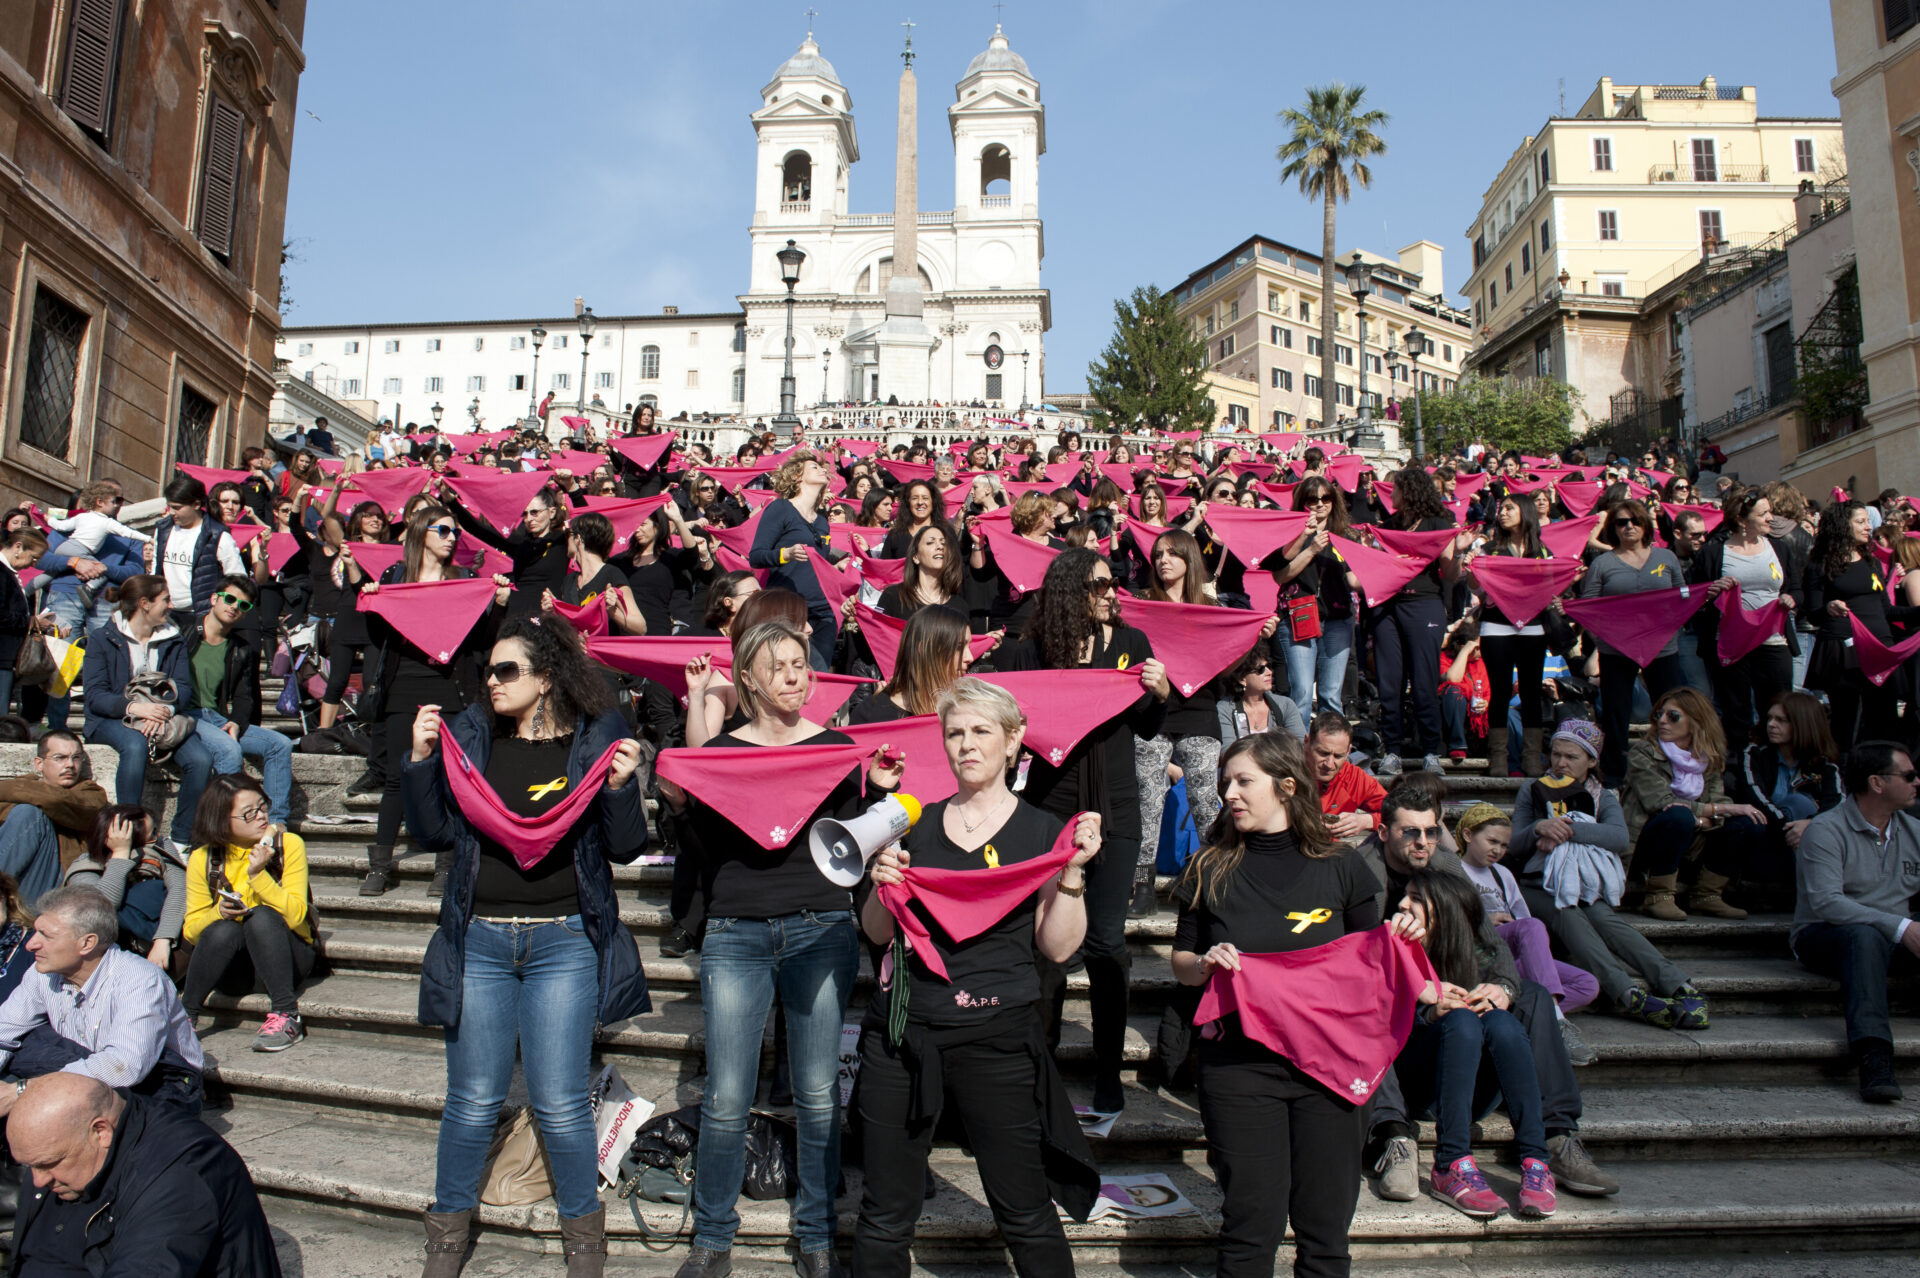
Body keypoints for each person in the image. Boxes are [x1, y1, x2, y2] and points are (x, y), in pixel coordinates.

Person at [656, 619, 904, 1278]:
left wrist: (878, 792)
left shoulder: (837, 749)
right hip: (736, 932)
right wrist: (681, 810)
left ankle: (817, 1233)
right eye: (781, 666)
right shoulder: (721, 751)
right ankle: (712, 1237)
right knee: (728, 1094)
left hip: (820, 930)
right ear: (750, 680)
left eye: (801, 663)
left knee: (819, 1093)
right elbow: (708, 861)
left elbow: (851, 846)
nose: (796, 675)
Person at [406, 616, 649, 1276]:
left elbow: (625, 848)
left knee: (561, 1102)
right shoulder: (471, 742)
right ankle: (447, 1237)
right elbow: (430, 834)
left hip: (563, 943)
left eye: (506, 670)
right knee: (473, 1101)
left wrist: (624, 791)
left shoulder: (591, 747)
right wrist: (422, 762)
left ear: (546, 679)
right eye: (487, 671)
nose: (491, 681)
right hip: (480, 940)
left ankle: (585, 1245)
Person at [853, 678, 1101, 1277]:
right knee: (883, 1217)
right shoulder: (911, 822)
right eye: (954, 732)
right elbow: (878, 933)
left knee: (1025, 1212)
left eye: (981, 731)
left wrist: (1071, 874)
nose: (966, 744)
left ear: (1014, 740)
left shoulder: (1044, 833)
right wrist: (882, 885)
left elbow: (1058, 947)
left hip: (999, 1039)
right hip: (904, 1036)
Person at [1170, 734, 1420, 1276]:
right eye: (1225, 781)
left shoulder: (1343, 866)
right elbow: (1182, 965)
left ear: (1287, 786)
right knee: (1249, 1227)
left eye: (1243, 781)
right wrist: (1206, 963)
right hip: (1239, 1067)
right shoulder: (1207, 866)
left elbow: (1370, 964)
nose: (1228, 793)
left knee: (1325, 1231)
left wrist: (1403, 932)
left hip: (1329, 1069)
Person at [1359, 784, 1618, 1203]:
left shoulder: (1446, 866)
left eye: (1431, 830)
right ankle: (1393, 1136)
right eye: (1410, 832)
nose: (1423, 842)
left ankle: (1556, 1136)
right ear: (1384, 832)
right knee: (1368, 1005)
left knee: (1531, 995)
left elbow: (1493, 948)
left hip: (1460, 1034)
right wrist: (1417, 990)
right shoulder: (1358, 875)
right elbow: (1352, 970)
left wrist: (1502, 986)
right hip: (1404, 1040)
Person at [995, 549, 1170, 1115]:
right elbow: (1007, 722)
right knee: (1046, 945)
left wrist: (1160, 693)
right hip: (1050, 808)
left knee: (1106, 942)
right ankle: (1037, 1066)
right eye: (1099, 585)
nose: (1111, 592)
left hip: (1116, 807)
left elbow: (1146, 727)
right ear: (1072, 591)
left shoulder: (1132, 643)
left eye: (1112, 583)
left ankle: (1108, 1072)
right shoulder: (1030, 652)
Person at [358, 505, 510, 898]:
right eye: (442, 530)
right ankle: (380, 865)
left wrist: (501, 604)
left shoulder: (463, 579)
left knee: (448, 779)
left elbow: (482, 641)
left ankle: (445, 865)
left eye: (454, 532)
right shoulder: (396, 576)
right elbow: (379, 636)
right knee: (397, 778)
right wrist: (374, 600)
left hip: (452, 688)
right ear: (421, 532)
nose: (450, 537)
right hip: (403, 687)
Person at [1511, 720, 1702, 1031]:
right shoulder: (1532, 790)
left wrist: (1568, 828)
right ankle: (1628, 994)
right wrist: (1537, 828)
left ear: (1592, 761)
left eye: (1571, 757)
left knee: (1607, 922)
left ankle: (1679, 984)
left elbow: (1618, 837)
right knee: (1568, 916)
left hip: (1585, 885)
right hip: (1538, 885)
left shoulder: (1603, 795)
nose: (1560, 763)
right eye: (1556, 754)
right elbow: (1514, 844)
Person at [1394, 868, 1557, 1220]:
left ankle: (1535, 1160)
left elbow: (1507, 976)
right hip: (1421, 1085)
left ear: (1447, 913)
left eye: (1416, 899)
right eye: (1406, 895)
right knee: (1462, 1020)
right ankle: (1450, 1163)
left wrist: (1504, 992)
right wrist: (1428, 1013)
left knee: (1500, 1020)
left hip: (1472, 1091)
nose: (1402, 904)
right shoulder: (1395, 945)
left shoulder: (1477, 950)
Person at [7, 1072, 282, 1277]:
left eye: (48, 1163)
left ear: (100, 1132)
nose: (38, 1180)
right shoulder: (67, 1152)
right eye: (29, 1165)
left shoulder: (178, 1173)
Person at [1133, 529, 1271, 914]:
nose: (1163, 560)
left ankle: (1216, 876)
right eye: (1158, 554)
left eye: (1173, 554)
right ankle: (1141, 887)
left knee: (1206, 801)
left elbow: (1227, 668)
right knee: (1147, 800)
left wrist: (1251, 636)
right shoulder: (1143, 603)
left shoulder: (1211, 606)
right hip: (1153, 711)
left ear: (1189, 559)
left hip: (1200, 710)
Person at [1792, 740, 1920, 1103]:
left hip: (1893, 936)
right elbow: (1828, 903)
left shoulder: (1913, 830)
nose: (1917, 782)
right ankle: (1874, 1057)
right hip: (1825, 935)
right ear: (1877, 783)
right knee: (1862, 936)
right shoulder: (1826, 830)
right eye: (1908, 775)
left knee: (1872, 935)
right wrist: (1901, 926)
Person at [0, 885, 202, 1112]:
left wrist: (24, 1090)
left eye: (46, 936)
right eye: (36, 931)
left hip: (162, 1087)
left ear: (87, 943)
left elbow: (124, 1067)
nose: (31, 944)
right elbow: (3, 1031)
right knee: (22, 1045)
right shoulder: (42, 974)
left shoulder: (139, 978)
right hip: (88, 1069)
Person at [78, 576, 219, 849]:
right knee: (135, 745)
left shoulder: (173, 638)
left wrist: (161, 711)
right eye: (165, 600)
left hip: (161, 719)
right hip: (112, 719)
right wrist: (136, 709)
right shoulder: (102, 638)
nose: (170, 605)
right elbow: (95, 695)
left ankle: (181, 840)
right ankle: (126, 831)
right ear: (144, 604)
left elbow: (183, 689)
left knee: (200, 759)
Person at [178, 776, 314, 1053]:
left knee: (261, 916)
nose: (261, 816)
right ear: (221, 819)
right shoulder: (203, 858)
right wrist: (218, 912)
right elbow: (191, 931)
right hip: (234, 967)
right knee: (222, 928)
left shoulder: (288, 845)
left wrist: (258, 875)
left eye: (262, 806)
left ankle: (287, 1014)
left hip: (287, 958)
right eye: (249, 813)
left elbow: (297, 916)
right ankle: (184, 1018)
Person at [1454, 803, 1600, 1054]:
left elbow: (1524, 920)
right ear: (1468, 835)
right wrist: (1485, 921)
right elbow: (1447, 922)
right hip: (1479, 950)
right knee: (1531, 926)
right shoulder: (1455, 870)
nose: (1498, 850)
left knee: (1588, 984)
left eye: (1504, 845)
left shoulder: (1502, 874)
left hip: (1512, 953)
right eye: (1492, 841)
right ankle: (1556, 1019)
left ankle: (1527, 1011)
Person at [1623, 687, 1766, 930]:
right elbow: (1661, 803)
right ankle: (1658, 895)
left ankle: (1707, 894)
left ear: (1696, 721)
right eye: (1659, 715)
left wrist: (1709, 815)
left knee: (1747, 822)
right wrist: (1706, 815)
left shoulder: (1706, 758)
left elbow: (1720, 803)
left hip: (1692, 840)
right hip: (1648, 841)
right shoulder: (1643, 753)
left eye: (1673, 716)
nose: (1663, 721)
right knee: (1678, 816)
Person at [1573, 499, 1692, 786]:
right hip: (1616, 649)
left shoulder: (1667, 559)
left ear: (1645, 524)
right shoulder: (1603, 563)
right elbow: (1589, 606)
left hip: (1663, 647)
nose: (1628, 527)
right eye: (1621, 522)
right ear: (1612, 528)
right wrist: (1602, 638)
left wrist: (1704, 596)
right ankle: (1613, 774)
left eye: (1634, 521)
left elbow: (1683, 597)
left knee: (1672, 709)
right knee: (1616, 711)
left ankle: (1678, 766)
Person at [1371, 467, 1465, 776]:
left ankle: (1430, 751)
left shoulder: (1440, 524)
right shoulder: (1387, 526)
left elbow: (1450, 575)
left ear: (1408, 491)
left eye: (1394, 488)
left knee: (1424, 681)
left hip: (1424, 605)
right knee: (1390, 681)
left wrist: (1459, 552)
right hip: (1388, 607)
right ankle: (1392, 750)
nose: (1390, 493)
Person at [1690, 489, 1799, 750]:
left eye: (1770, 511)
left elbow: (1796, 588)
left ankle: (1775, 762)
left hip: (1773, 640)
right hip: (1731, 645)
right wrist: (1711, 591)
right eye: (1763, 514)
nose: (1771, 518)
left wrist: (1792, 599)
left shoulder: (1780, 548)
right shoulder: (1714, 552)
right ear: (1742, 520)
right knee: (1735, 710)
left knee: (1777, 708)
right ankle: (1740, 765)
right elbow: (1694, 596)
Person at [185, 573, 294, 829]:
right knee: (229, 750)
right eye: (229, 599)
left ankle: (276, 823)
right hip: (187, 715)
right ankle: (227, 825)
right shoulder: (185, 633)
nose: (234, 607)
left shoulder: (241, 648)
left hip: (217, 717)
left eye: (243, 605)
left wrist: (236, 721)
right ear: (214, 598)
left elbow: (245, 695)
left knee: (280, 744)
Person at [1469, 494, 1553, 776]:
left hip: (1533, 627)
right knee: (1501, 691)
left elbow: (1550, 587)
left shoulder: (1542, 551)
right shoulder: (1489, 549)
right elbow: (1477, 589)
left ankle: (1532, 758)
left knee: (1531, 691)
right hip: (1496, 626)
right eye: (1501, 509)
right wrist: (1472, 568)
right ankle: (1499, 759)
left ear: (1524, 512)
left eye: (1509, 508)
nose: (1502, 513)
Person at [1807, 500, 1901, 750]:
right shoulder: (1821, 564)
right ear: (1841, 526)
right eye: (1860, 522)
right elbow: (1812, 613)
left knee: (1885, 721)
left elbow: (1888, 610)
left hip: (1880, 651)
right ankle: (1845, 777)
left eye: (1868, 521)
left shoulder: (1871, 562)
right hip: (1845, 652)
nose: (1868, 527)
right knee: (1847, 722)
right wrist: (1828, 608)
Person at [750, 449, 840, 669]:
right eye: (814, 467)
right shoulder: (781, 508)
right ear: (797, 476)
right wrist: (786, 554)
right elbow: (756, 556)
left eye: (822, 468)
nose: (821, 470)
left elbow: (818, 563)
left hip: (823, 611)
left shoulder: (822, 521)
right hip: (788, 609)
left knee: (821, 675)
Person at [65, 804, 185, 969]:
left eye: (156, 830)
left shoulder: (159, 845)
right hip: (109, 955)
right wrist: (121, 855)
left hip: (162, 947)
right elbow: (100, 909)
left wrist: (163, 940)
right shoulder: (84, 868)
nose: (158, 837)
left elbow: (181, 888)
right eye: (151, 835)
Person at [0, 731, 109, 904]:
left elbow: (58, 801)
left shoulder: (91, 793)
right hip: (15, 883)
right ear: (39, 764)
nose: (70, 765)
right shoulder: (25, 786)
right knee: (26, 813)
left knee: (29, 813)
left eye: (76, 758)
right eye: (60, 758)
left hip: (54, 890)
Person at [449, 482, 570, 621]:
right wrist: (450, 500)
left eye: (535, 512)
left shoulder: (563, 541)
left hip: (546, 618)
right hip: (515, 617)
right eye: (525, 514)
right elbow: (479, 530)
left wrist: (570, 486)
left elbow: (588, 525)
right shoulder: (519, 543)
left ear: (552, 512)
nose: (529, 519)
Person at [148, 476, 251, 627]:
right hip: (165, 612)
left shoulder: (218, 535)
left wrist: (218, 612)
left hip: (200, 615)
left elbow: (237, 578)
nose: (171, 512)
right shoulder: (163, 529)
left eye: (177, 507)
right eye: (170, 506)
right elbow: (156, 569)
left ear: (196, 504)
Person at [1305, 711, 1385, 839]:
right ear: (1307, 742)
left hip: (1328, 853)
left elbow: (1399, 813)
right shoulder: (1285, 770)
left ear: (1348, 751)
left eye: (1338, 756)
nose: (1329, 764)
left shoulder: (1353, 777)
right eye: (1323, 753)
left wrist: (1367, 821)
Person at [1214, 644, 1306, 746]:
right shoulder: (1224, 709)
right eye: (1260, 669)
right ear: (1241, 679)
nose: (1269, 672)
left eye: (1269, 666)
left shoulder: (1286, 705)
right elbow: (1227, 752)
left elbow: (1300, 746)